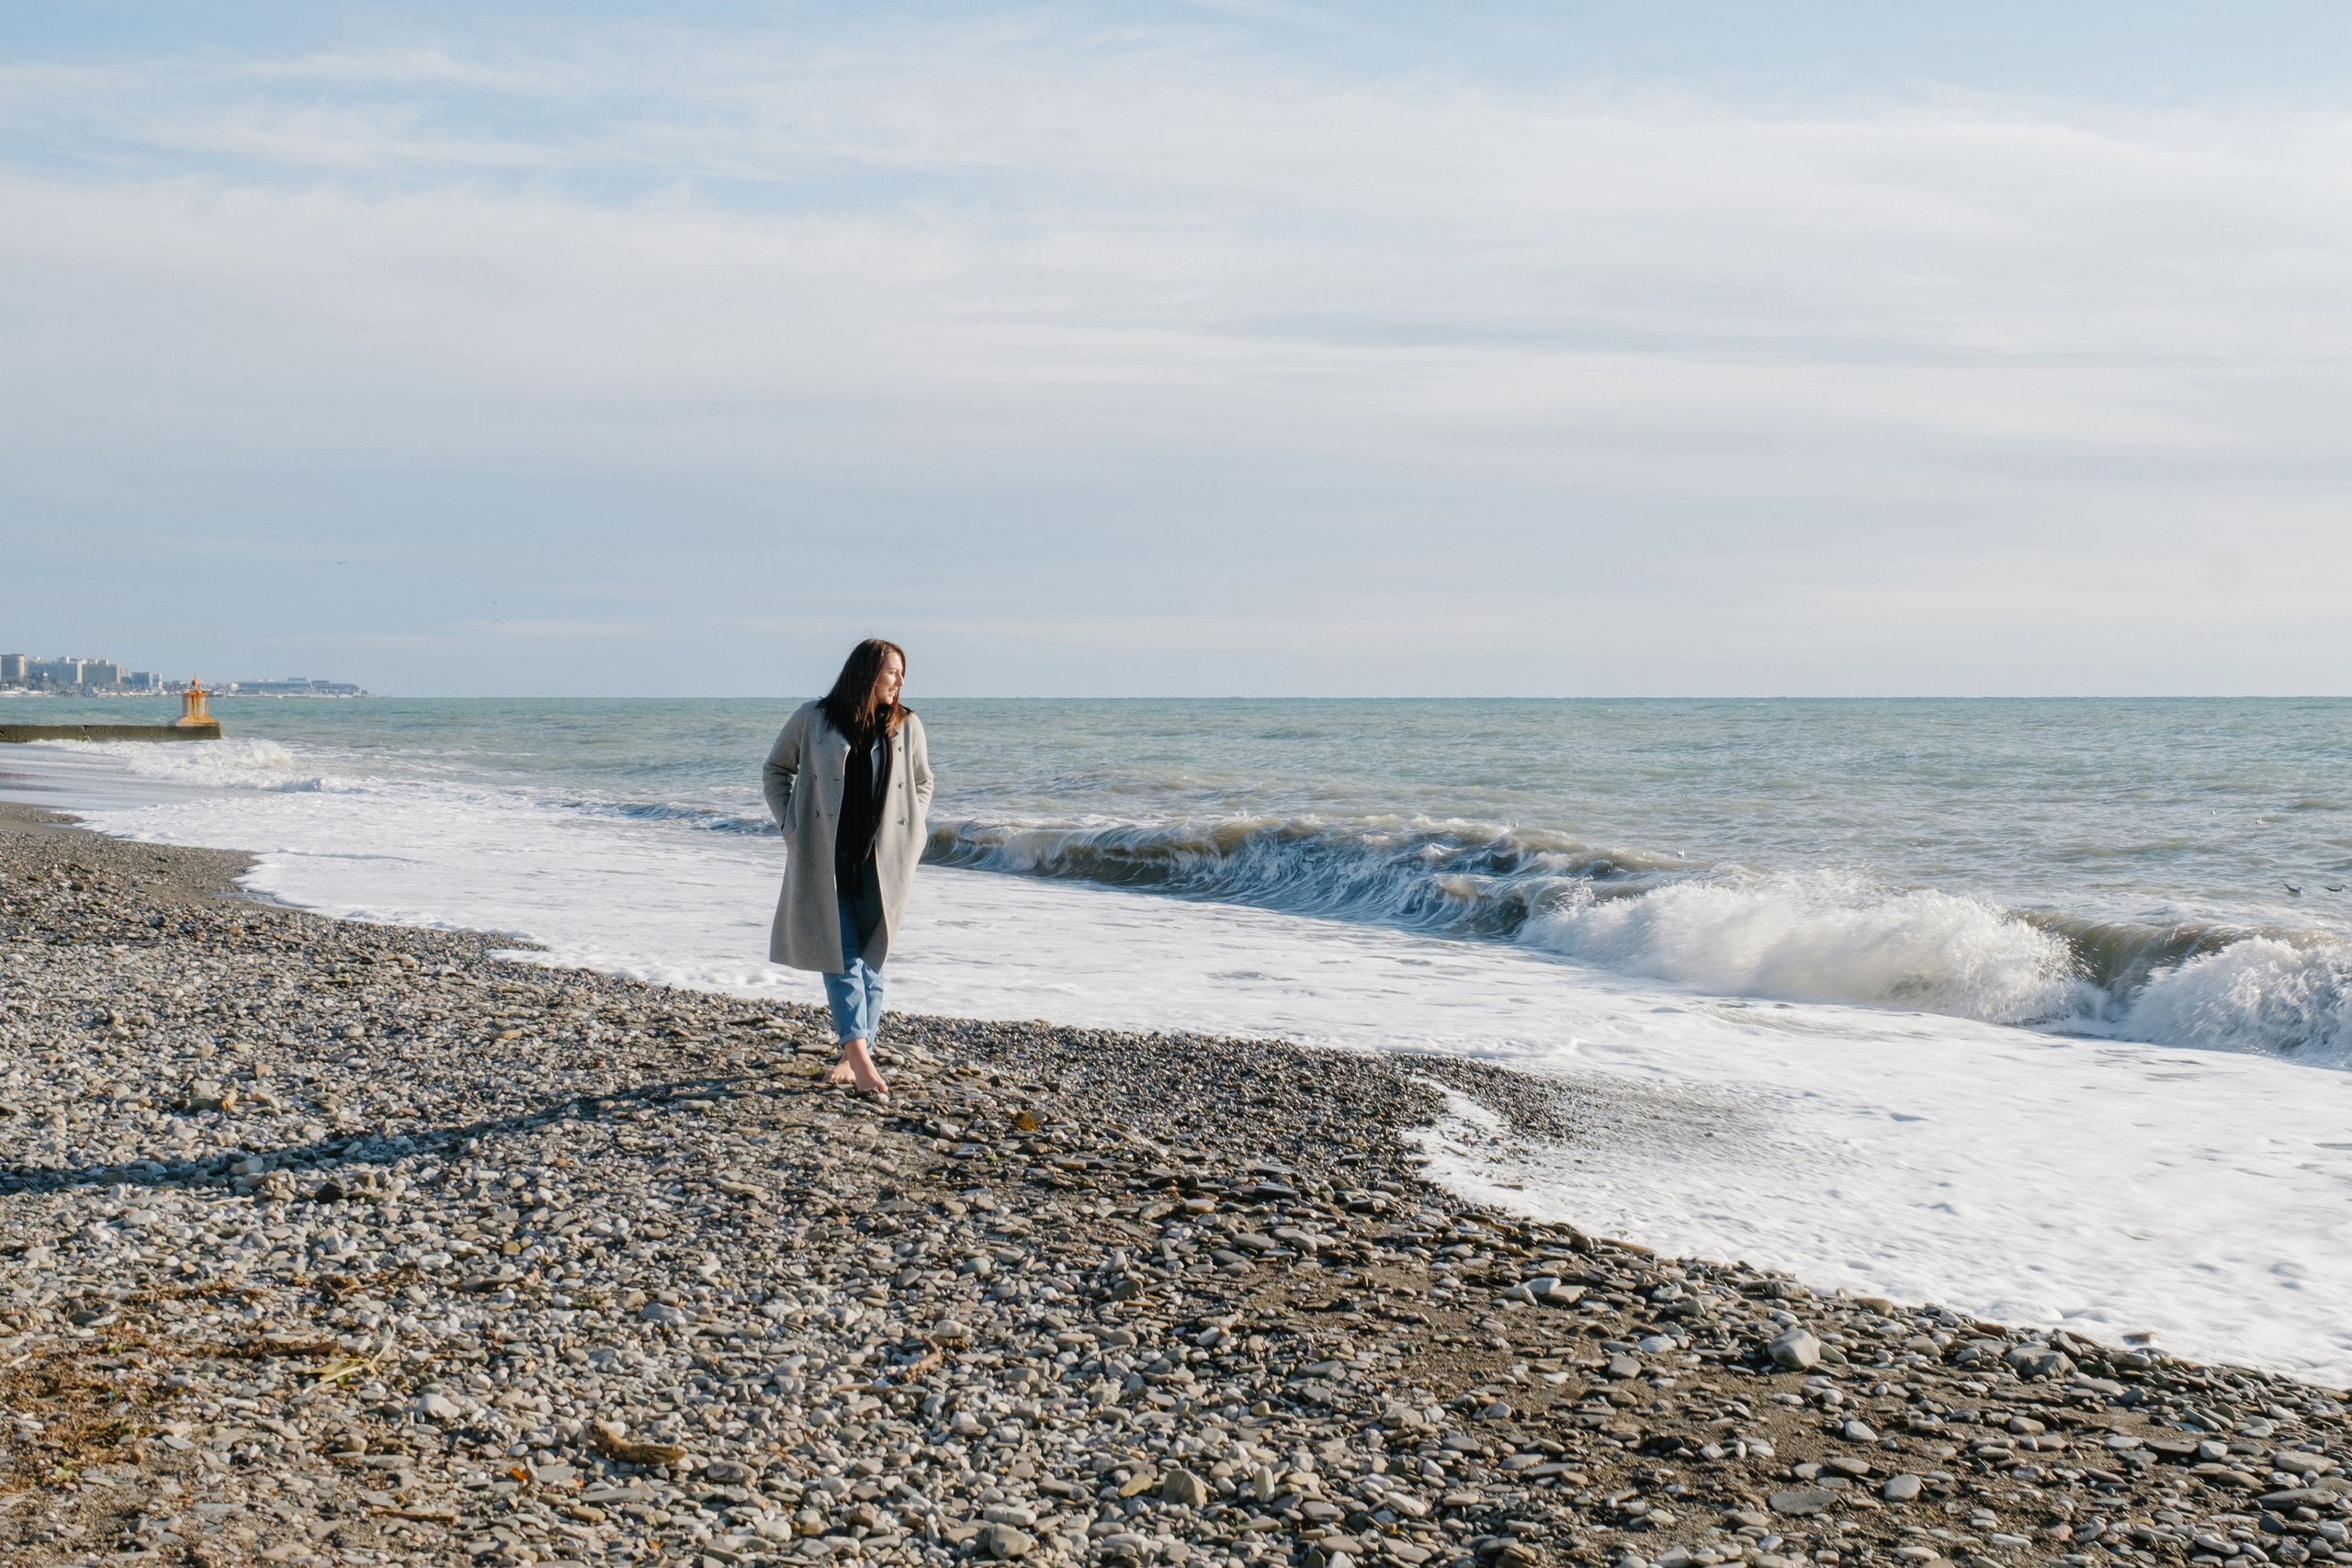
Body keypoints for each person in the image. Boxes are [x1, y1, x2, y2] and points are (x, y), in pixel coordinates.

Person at [762, 639, 933, 1097]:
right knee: (841, 958)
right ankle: (859, 1057)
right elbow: (775, 771)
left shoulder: (907, 724)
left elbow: (923, 782)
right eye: (893, 672)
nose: (900, 681)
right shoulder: (813, 718)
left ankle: (853, 1053)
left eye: (901, 673)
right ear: (867, 673)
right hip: (825, 857)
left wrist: (912, 834)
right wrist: (791, 827)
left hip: (883, 860)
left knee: (872, 958)